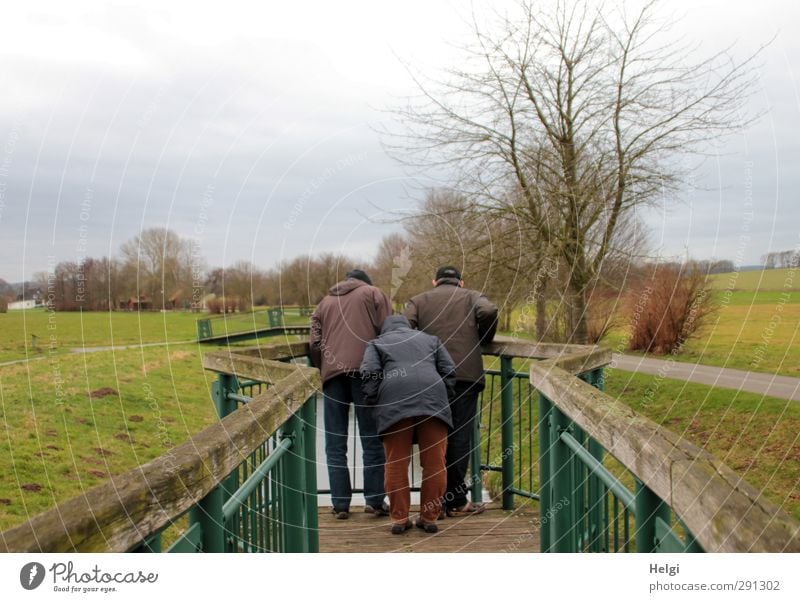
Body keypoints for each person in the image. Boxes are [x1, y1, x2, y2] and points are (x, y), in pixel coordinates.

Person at [404, 266, 498, 517]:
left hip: (429, 376)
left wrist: (419, 349)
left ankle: (434, 502)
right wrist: (483, 338)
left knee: (432, 436)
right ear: (461, 281)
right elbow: (488, 310)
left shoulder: (418, 300)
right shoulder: (472, 296)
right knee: (459, 437)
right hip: (465, 376)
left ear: (434, 281)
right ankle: (455, 500)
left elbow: (404, 327)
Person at [360, 315, 456, 535]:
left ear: (384, 330)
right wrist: (442, 396)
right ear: (410, 327)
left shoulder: (377, 343)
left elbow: (369, 373)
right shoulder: (431, 340)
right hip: (433, 399)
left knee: (396, 463)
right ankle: (429, 517)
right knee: (434, 463)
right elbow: (449, 371)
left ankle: (400, 519)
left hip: (394, 401)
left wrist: (375, 401)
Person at [310, 269, 391, 519]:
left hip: (333, 377)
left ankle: (340, 504)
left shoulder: (324, 303)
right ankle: (375, 500)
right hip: (366, 373)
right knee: (372, 440)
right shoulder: (374, 294)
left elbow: (315, 343)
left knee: (335, 444)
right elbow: (388, 333)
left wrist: (323, 367)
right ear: (364, 283)